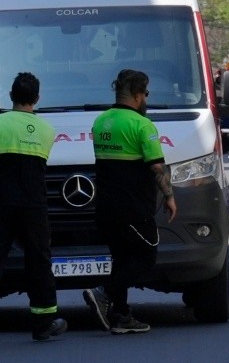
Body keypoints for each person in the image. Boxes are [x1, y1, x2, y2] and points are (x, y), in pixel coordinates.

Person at [0, 72, 66, 345]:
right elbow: (25, 162)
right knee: (39, 261)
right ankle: (43, 323)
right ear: (37, 98)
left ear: (10, 96)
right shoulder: (47, 131)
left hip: (0, 204)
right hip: (34, 205)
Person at [83, 69, 177, 335]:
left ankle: (121, 316)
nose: (146, 99)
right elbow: (157, 167)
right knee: (146, 258)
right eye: (145, 94)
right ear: (137, 95)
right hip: (134, 208)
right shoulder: (142, 125)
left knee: (122, 259)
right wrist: (169, 197)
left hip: (105, 208)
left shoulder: (100, 122)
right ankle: (103, 291)